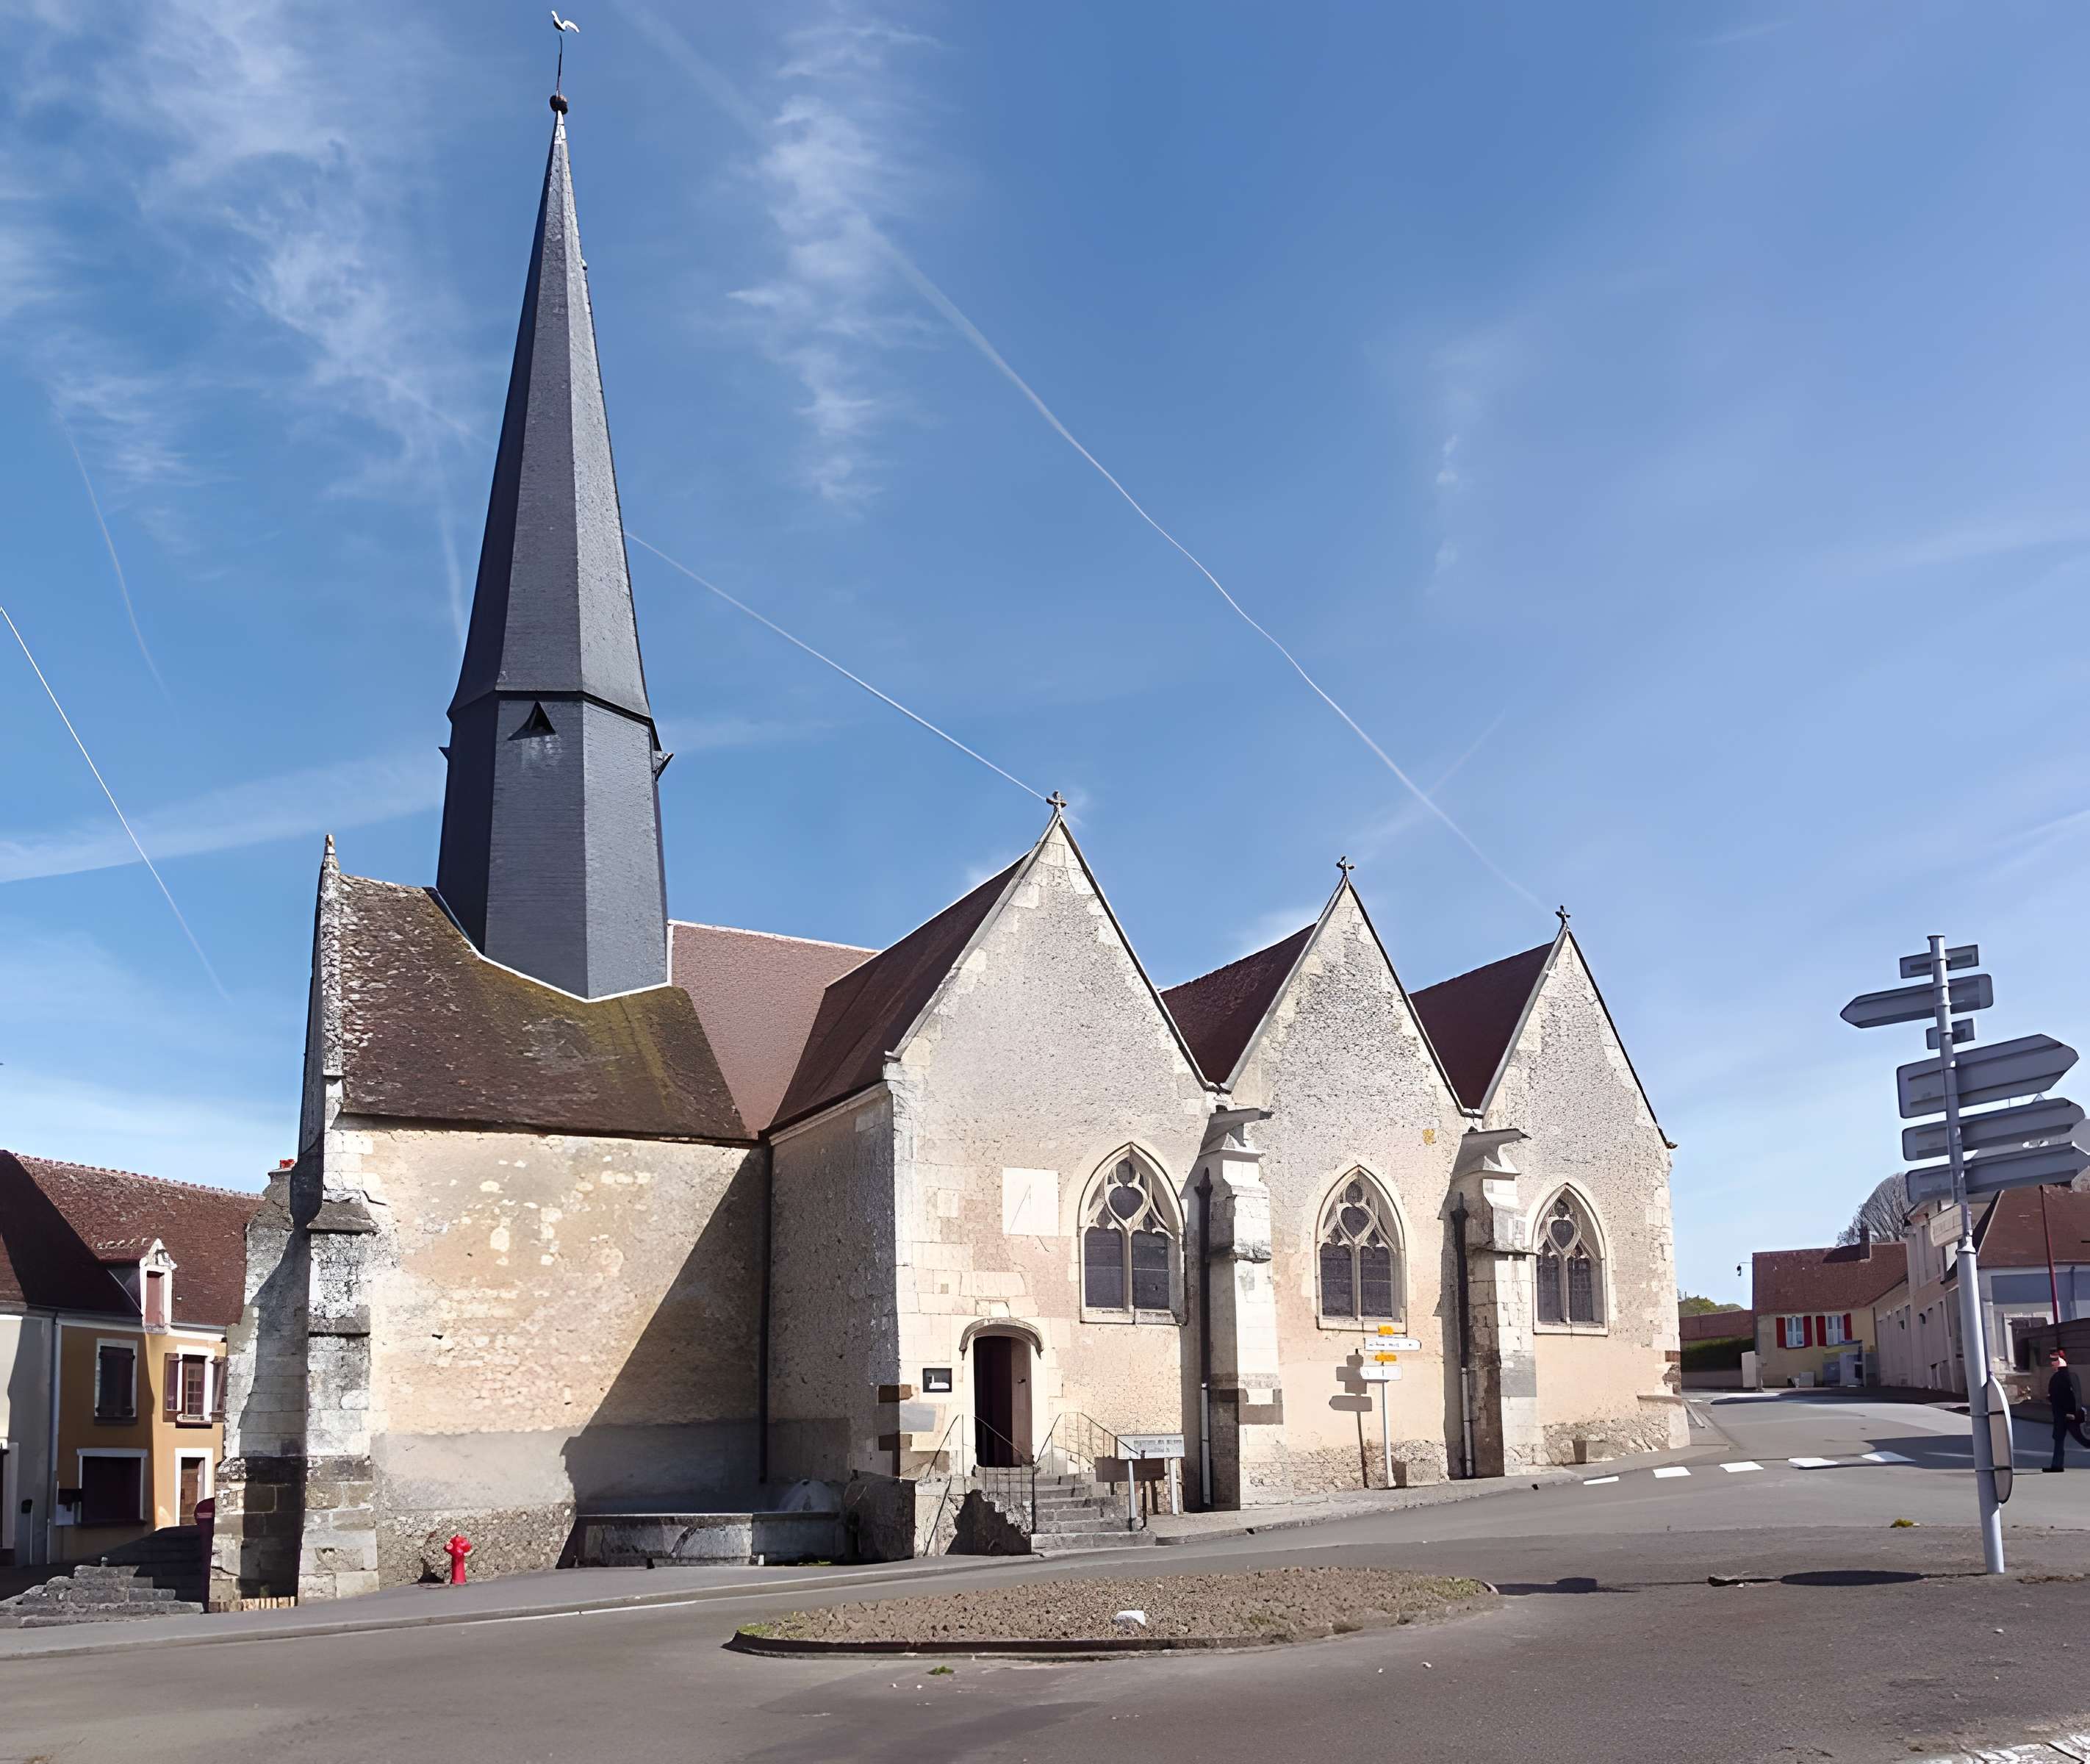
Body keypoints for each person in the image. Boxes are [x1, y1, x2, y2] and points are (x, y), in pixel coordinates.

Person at [2045, 1350, 2090, 1472]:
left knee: (2080, 1439)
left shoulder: (2060, 1377)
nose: (2052, 1363)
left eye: (2055, 1360)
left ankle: (2057, 1466)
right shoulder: (2070, 1375)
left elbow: (2069, 1397)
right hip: (2065, 1414)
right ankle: (2057, 1466)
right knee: (2059, 1439)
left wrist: (2070, 1411)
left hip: (2065, 1415)